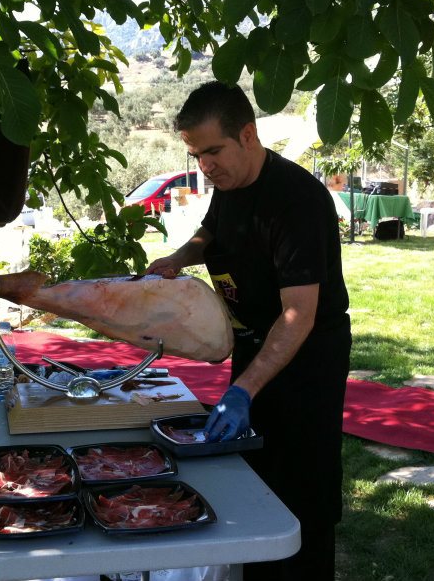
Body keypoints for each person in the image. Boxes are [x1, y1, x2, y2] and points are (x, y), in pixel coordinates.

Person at [146, 81, 352, 581]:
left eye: (213, 151)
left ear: (248, 134)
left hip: (305, 360)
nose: (206, 167)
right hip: (254, 346)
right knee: (253, 479)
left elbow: (299, 315)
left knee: (300, 490)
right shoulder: (230, 186)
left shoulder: (296, 201)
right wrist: (178, 258)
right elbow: (211, 232)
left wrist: (243, 390)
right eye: (196, 155)